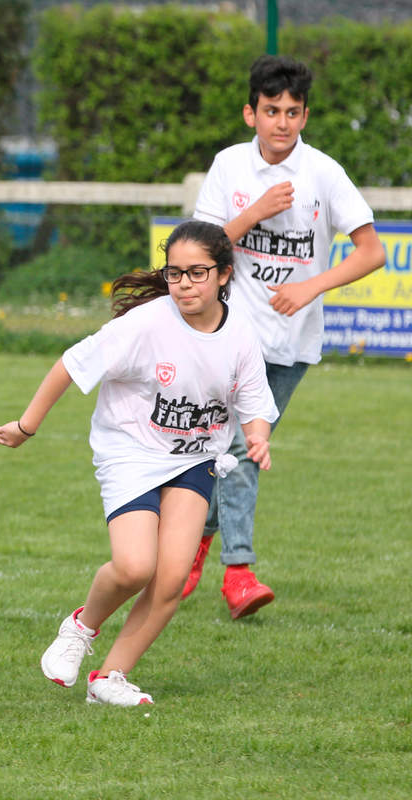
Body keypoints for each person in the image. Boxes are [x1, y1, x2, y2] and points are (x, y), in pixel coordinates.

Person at [0, 221, 278, 706]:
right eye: (175, 273)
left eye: (197, 273)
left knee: (170, 580)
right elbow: (71, 365)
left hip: (193, 458)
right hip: (131, 450)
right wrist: (26, 426)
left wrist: (258, 438)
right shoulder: (146, 325)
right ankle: (81, 627)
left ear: (224, 275)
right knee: (133, 567)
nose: (184, 283)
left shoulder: (241, 335)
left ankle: (108, 680)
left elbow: (253, 404)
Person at [183, 55, 386, 618]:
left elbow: (373, 251)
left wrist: (311, 287)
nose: (281, 123)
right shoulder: (229, 167)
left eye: (292, 112)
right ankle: (239, 574)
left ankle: (192, 546)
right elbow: (200, 245)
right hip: (232, 335)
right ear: (252, 113)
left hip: (293, 344)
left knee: (227, 450)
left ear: (305, 116)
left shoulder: (323, 172)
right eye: (271, 111)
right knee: (242, 451)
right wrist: (253, 214)